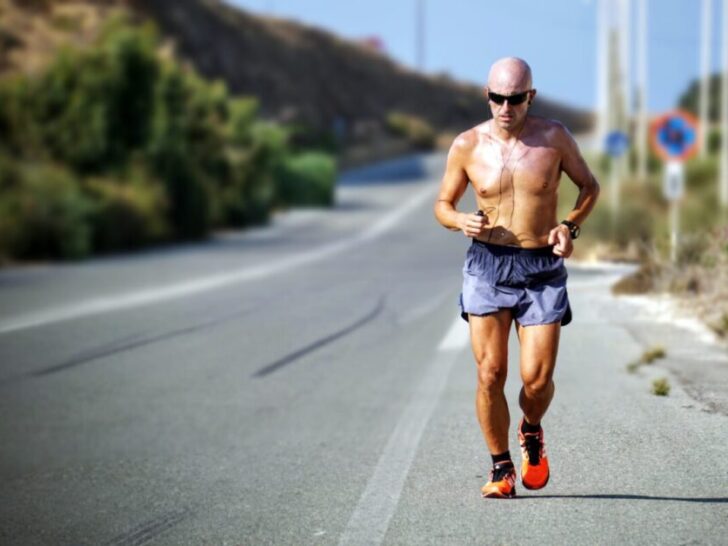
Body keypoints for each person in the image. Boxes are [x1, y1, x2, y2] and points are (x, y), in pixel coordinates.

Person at [433, 57, 600, 498]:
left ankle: (530, 428)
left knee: (536, 380)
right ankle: (501, 467)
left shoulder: (554, 138)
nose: (505, 107)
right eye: (496, 98)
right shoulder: (467, 144)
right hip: (487, 264)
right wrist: (458, 221)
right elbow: (443, 204)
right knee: (490, 373)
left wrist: (570, 226)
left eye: (515, 99)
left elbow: (589, 186)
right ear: (486, 96)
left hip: (541, 267)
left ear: (531, 96)